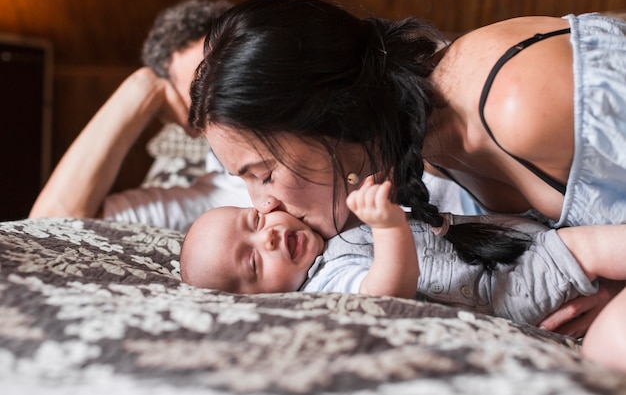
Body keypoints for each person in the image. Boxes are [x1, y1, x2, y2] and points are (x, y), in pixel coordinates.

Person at [188, 0, 626, 336]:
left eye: (264, 174)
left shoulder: (518, 108)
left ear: (333, 122)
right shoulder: (421, 160)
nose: (265, 205)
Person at [179, 176, 625, 371]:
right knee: (590, 247)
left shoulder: (320, 229)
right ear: (257, 300)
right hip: (506, 285)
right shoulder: (322, 287)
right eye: (254, 261)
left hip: (507, 249)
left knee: (589, 243)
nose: (270, 238)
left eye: (255, 223)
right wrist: (388, 226)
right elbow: (385, 293)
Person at [28, 0, 251, 232]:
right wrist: (143, 88)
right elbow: (50, 224)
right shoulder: (218, 195)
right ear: (189, 122)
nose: (230, 93)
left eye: (226, 70)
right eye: (200, 96)